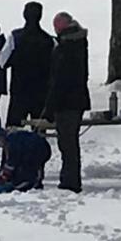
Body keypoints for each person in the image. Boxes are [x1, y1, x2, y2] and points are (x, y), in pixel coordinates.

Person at [44, 13, 90, 193]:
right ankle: (71, 177)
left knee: (67, 143)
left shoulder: (65, 48)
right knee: (70, 142)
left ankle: (70, 180)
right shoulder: (79, 43)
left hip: (66, 102)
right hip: (77, 99)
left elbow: (59, 81)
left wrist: (50, 106)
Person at [0, 1, 55, 126]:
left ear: (24, 15)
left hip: (20, 91)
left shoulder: (15, 37)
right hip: (41, 92)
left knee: (14, 131)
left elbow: (2, 62)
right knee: (39, 131)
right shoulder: (49, 40)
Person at [0, 122, 52, 191]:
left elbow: (12, 162)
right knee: (20, 169)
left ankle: (32, 181)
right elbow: (6, 161)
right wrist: (3, 175)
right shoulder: (8, 140)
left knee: (21, 176)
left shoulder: (12, 142)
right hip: (37, 149)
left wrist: (4, 177)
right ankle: (34, 180)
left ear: (0, 136)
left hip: (40, 149)